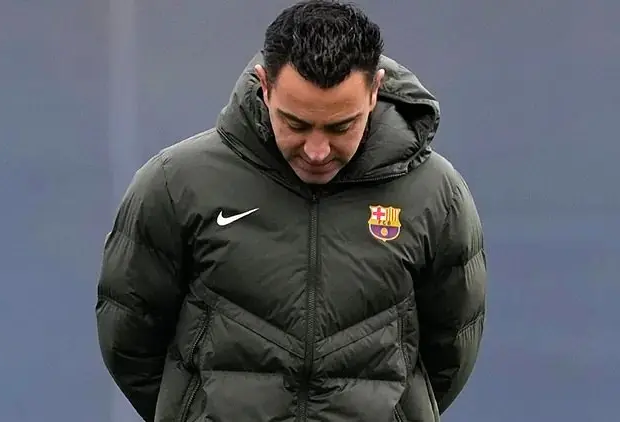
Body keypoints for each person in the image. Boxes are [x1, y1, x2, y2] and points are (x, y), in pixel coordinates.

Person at [95, 1, 487, 421]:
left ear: (375, 90)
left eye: (341, 126)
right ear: (264, 85)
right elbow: (129, 335)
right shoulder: (176, 183)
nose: (317, 151)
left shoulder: (436, 195)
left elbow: (451, 346)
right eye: (296, 124)